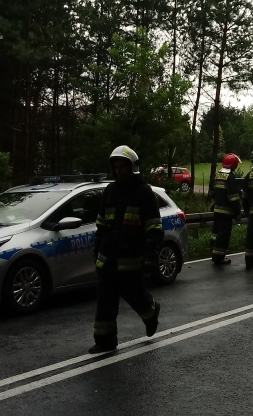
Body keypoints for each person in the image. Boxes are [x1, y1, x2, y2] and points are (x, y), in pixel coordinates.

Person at [90, 145, 163, 353]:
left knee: (133, 294)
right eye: (117, 167)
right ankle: (105, 342)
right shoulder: (110, 191)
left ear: (132, 168)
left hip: (131, 258)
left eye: (123, 166)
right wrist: (97, 248)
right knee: (105, 300)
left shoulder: (143, 192)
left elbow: (154, 228)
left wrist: (149, 256)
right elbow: (102, 224)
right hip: (108, 257)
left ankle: (151, 312)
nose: (119, 170)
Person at [210, 153, 242, 266]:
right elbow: (233, 197)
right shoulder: (230, 177)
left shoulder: (218, 175)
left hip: (217, 210)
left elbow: (212, 193)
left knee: (216, 233)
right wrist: (238, 212)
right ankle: (219, 257)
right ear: (233, 164)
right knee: (224, 235)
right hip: (226, 212)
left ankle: (214, 253)